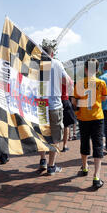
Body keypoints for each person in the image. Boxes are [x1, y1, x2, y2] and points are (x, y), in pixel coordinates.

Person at [72, 58, 107, 189]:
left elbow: (74, 102)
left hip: (83, 117)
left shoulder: (79, 83)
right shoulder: (101, 83)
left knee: (84, 142)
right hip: (97, 117)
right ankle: (96, 176)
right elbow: (103, 98)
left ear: (85, 69)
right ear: (97, 70)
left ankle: (85, 167)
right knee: (98, 144)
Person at [38, 46, 70, 176]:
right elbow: (66, 80)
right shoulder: (56, 63)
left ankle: (42, 160)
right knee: (55, 137)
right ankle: (51, 166)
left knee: (42, 135)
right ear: (52, 53)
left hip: (40, 105)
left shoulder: (36, 65)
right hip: (54, 105)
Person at [61, 74, 75, 152]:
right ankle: (64, 145)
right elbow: (71, 90)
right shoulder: (66, 77)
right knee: (66, 125)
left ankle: (52, 144)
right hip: (64, 100)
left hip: (52, 101)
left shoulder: (49, 76)